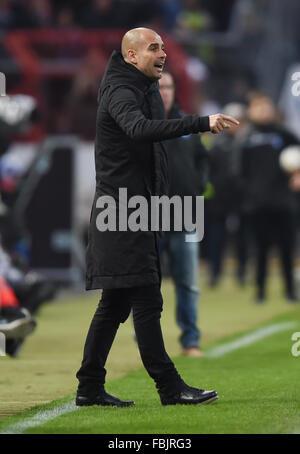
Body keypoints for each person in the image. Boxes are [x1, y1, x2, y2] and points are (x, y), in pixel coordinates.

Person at [75, 27, 239, 407]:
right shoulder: (121, 89)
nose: (162, 53)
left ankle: (89, 387)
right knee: (147, 302)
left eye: (164, 47)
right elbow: (138, 130)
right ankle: (169, 387)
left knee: (114, 305)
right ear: (132, 56)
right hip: (122, 213)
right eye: (153, 48)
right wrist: (200, 122)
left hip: (135, 212)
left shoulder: (141, 87)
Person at [158, 71, 209, 357]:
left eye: (168, 86)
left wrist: (200, 184)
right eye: (159, 87)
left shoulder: (187, 124)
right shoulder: (142, 125)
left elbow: (203, 159)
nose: (164, 91)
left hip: (187, 213)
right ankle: (149, 340)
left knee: (188, 281)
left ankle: (190, 340)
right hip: (148, 214)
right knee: (148, 284)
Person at [241, 92, 299, 302]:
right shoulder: (247, 138)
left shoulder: (284, 135)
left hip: (283, 202)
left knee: (286, 249)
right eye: (258, 107)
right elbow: (241, 170)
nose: (263, 111)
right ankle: (260, 292)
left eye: (266, 107)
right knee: (261, 250)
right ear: (251, 111)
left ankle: (290, 291)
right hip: (257, 203)